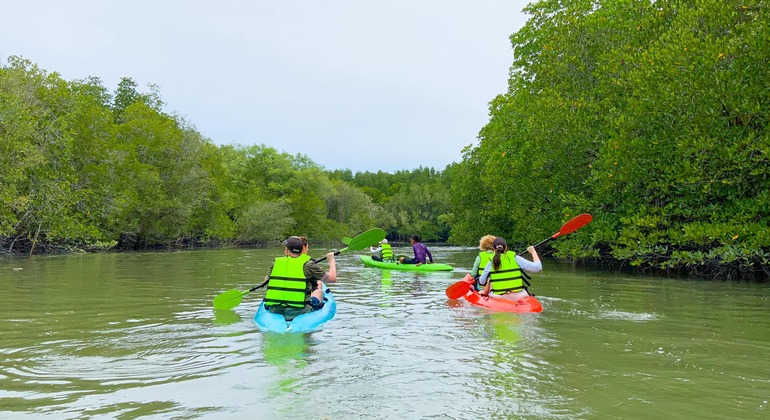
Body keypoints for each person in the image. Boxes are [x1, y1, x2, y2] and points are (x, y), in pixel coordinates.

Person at [263, 236, 336, 320]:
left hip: (275, 309)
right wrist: (331, 260)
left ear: (286, 250)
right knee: (319, 291)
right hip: (299, 310)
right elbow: (332, 278)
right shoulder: (308, 265)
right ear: (302, 250)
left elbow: (266, 281)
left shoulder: (276, 263)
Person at [478, 236, 542, 301]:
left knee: (489, 280)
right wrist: (533, 251)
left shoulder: (491, 262)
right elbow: (538, 267)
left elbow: (481, 281)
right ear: (506, 248)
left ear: (494, 249)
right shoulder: (515, 258)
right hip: (520, 296)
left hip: (499, 297)